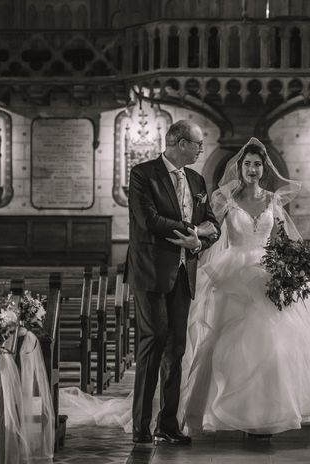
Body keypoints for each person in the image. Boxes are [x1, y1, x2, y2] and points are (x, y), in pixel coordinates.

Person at [178, 137, 310, 436]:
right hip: (233, 273)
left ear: (264, 169)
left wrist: (293, 265)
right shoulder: (226, 200)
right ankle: (224, 409)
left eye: (257, 164)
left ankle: (271, 409)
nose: (252, 169)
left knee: (278, 341)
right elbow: (212, 231)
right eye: (247, 164)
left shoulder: (273, 201)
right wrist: (196, 238)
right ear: (239, 168)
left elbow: (283, 239)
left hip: (269, 272)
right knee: (225, 340)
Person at [125, 119, 220, 445]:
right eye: (197, 144)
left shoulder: (196, 179)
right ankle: (141, 427)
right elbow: (148, 219)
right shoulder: (143, 174)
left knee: (176, 350)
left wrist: (200, 241)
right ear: (180, 143)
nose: (201, 149)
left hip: (183, 274)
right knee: (153, 345)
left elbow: (212, 224)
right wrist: (191, 230)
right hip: (151, 273)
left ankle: (168, 424)